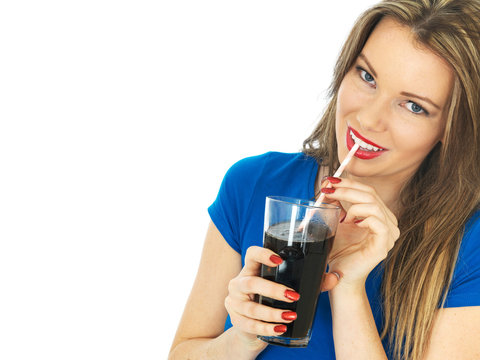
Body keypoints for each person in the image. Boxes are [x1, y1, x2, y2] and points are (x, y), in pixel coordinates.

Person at [169, 0, 480, 359]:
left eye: (413, 106)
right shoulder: (253, 183)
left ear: (452, 129)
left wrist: (348, 287)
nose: (368, 119)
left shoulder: (467, 246)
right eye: (367, 77)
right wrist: (244, 337)